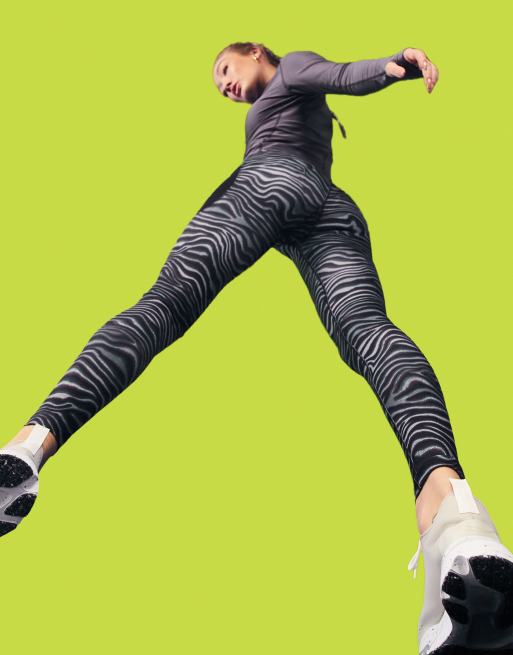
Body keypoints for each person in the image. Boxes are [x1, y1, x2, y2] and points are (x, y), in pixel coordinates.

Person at [1, 41, 512, 653]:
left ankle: (24, 452)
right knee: (368, 331)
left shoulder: (290, 67)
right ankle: (457, 522)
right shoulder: (292, 103)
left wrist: (392, 68)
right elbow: (336, 83)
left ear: (254, 52)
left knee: (168, 302)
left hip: (270, 183)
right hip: (329, 207)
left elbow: (340, 74)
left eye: (225, 67)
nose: (223, 84)